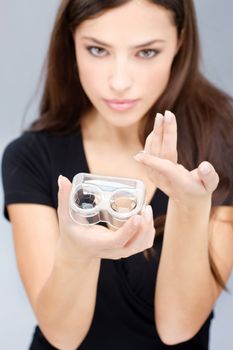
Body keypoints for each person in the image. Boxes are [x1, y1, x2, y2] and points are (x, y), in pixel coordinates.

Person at [1, 0, 233, 349]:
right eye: (97, 49)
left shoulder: (222, 145)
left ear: (180, 42)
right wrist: (76, 253)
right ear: (71, 42)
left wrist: (189, 207)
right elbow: (62, 336)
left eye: (146, 52)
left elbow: (178, 327)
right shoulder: (30, 156)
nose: (120, 82)